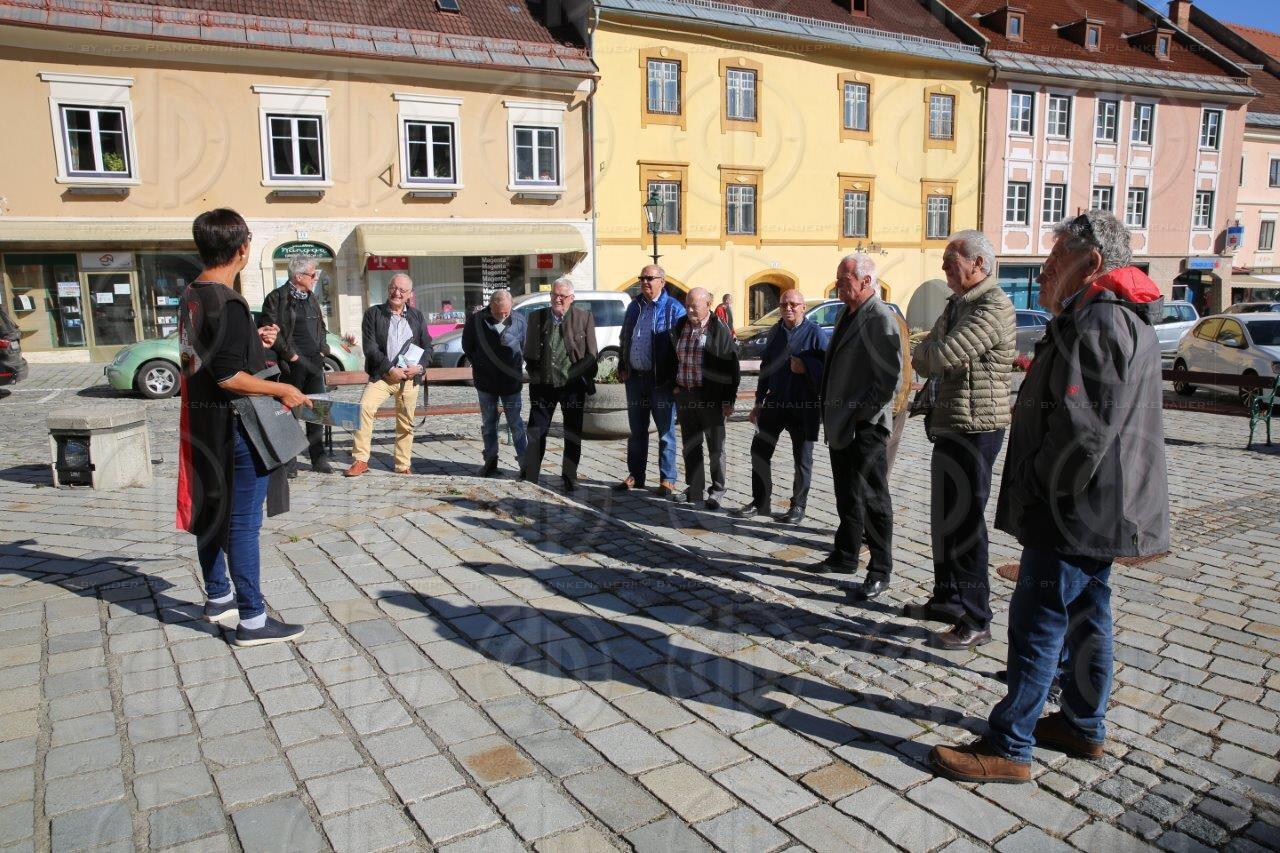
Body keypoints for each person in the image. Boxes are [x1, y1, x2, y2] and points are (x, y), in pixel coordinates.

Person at [929, 210, 1169, 783]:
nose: (1045, 268)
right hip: (1094, 507)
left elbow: (1082, 431)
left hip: (1075, 510)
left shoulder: (1101, 322)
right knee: (1089, 613)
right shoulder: (1100, 317)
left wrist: (1039, 489)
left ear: (1091, 264)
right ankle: (1082, 726)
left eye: (1057, 259)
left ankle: (1010, 745)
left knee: (1039, 618)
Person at [176, 208, 308, 647]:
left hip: (203, 422)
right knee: (242, 524)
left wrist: (257, 341)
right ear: (242, 248)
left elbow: (207, 357)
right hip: (235, 427)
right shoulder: (227, 302)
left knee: (210, 511)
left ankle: (218, 596)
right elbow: (229, 376)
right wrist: (282, 389)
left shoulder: (194, 294)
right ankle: (252, 620)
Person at [902, 230, 1016, 651]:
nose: (944, 268)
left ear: (979, 265)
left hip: (977, 428)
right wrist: (929, 352)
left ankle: (976, 617)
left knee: (966, 525)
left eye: (952, 260)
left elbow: (937, 356)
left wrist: (930, 353)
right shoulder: (957, 304)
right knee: (945, 521)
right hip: (951, 423)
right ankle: (948, 599)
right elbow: (925, 350)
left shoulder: (993, 306)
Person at [815, 254, 902, 602]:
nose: (839, 283)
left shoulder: (880, 317)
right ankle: (846, 554)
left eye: (844, 278)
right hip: (842, 423)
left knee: (873, 499)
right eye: (838, 278)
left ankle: (880, 568)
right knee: (846, 494)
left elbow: (888, 379)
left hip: (864, 427)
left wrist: (862, 416)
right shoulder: (846, 312)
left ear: (866, 281)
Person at [732, 290, 829, 524]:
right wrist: (758, 403)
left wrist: (806, 367)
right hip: (775, 404)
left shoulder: (816, 334)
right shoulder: (776, 332)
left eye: (794, 304)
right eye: (784, 304)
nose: (788, 308)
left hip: (805, 406)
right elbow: (765, 369)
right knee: (760, 452)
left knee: (802, 459)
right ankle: (760, 502)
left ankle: (798, 506)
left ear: (803, 307)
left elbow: (828, 371)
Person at [344, 274, 432, 477]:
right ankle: (361, 460)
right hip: (382, 376)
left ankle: (403, 465)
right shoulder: (373, 314)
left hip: (409, 379)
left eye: (402, 290)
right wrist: (390, 369)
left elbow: (427, 347)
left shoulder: (417, 316)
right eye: (394, 288)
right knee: (363, 408)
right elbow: (371, 348)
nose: (397, 293)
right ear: (388, 289)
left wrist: (419, 368)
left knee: (405, 422)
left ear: (410, 294)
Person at [260, 255, 334, 475]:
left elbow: (320, 326)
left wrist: (323, 349)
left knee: (316, 410)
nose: (315, 278)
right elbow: (270, 329)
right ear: (298, 276)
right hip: (292, 365)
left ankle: (318, 459)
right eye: (312, 274)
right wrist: (291, 355)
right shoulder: (276, 298)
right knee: (289, 411)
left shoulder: (311, 297)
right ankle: (289, 462)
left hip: (314, 362)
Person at [522, 278, 598, 492]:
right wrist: (536, 373)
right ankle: (531, 473)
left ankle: (570, 475)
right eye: (554, 295)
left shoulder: (584, 317)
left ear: (571, 299)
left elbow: (592, 355)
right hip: (543, 385)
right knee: (536, 430)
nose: (557, 299)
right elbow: (529, 353)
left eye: (562, 296)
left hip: (572, 386)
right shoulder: (536, 317)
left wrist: (570, 375)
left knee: (572, 431)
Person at [615, 265, 686, 495]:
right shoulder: (634, 306)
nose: (644, 282)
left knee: (665, 433)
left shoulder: (674, 309)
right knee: (637, 431)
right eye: (642, 278)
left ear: (662, 282)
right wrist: (623, 365)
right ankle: (636, 475)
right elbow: (625, 336)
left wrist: (676, 380)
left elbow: (681, 348)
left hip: (661, 383)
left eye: (649, 278)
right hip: (635, 380)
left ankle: (668, 479)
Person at [669, 287, 740, 510]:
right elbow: (671, 358)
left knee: (716, 447)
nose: (689, 309)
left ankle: (717, 490)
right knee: (691, 445)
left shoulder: (719, 329)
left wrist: (728, 400)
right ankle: (695, 487)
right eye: (688, 304)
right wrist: (674, 385)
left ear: (708, 305)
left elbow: (732, 367)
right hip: (686, 395)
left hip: (711, 397)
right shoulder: (680, 326)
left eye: (694, 306)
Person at [462, 289, 528, 477]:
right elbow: (468, 346)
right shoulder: (476, 321)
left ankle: (525, 464)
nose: (503, 316)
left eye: (507, 312)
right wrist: (481, 363)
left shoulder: (520, 320)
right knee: (489, 423)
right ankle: (490, 461)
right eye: (499, 312)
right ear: (491, 305)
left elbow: (524, 346)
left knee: (516, 423)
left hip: (511, 382)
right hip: (486, 382)